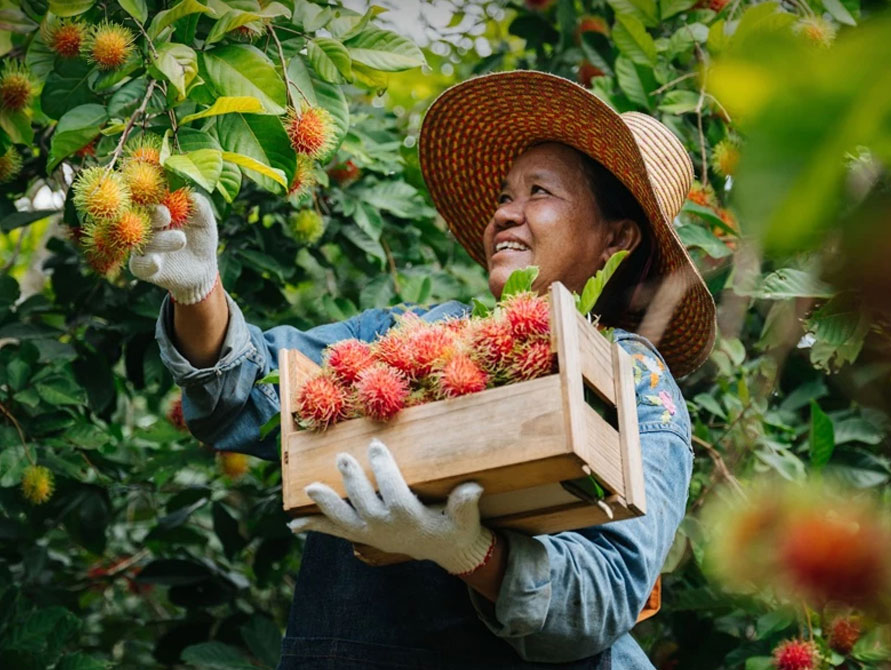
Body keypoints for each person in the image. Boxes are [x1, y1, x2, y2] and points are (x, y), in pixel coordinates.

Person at [134, 71, 715, 669]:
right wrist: (199, 289)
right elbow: (248, 392)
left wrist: (470, 551)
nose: (508, 214)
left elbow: (604, 595)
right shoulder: (405, 334)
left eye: (538, 192)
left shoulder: (634, 380)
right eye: (503, 197)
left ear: (615, 239)